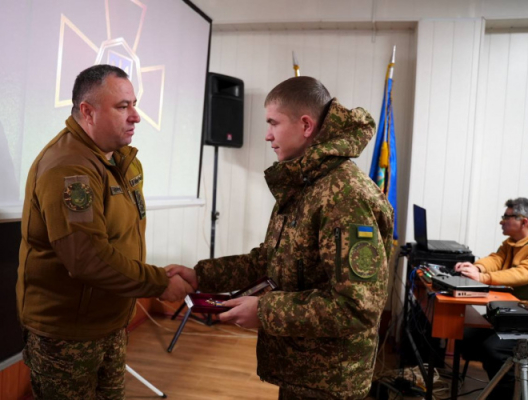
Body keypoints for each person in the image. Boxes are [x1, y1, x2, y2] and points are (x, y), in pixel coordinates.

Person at [168, 76, 394, 399]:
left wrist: (264, 311)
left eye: (273, 123)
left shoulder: (344, 195)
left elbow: (357, 306)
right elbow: (267, 261)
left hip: (329, 382)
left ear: (305, 125)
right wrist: (200, 275)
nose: (267, 135)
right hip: (303, 372)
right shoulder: (304, 184)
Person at [16, 64, 193, 399]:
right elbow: (87, 257)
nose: (136, 116)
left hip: (110, 322)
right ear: (88, 112)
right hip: (68, 334)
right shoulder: (70, 167)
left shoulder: (122, 160)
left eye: (134, 104)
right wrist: (158, 282)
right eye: (122, 106)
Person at [456, 197, 528, 399]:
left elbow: (523, 273)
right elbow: (496, 259)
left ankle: (506, 394)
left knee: (493, 349)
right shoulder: (512, 243)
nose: (501, 221)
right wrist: (477, 267)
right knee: (467, 338)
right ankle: (501, 386)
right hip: (514, 311)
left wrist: (483, 278)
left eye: (506, 217)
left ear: (523, 221)